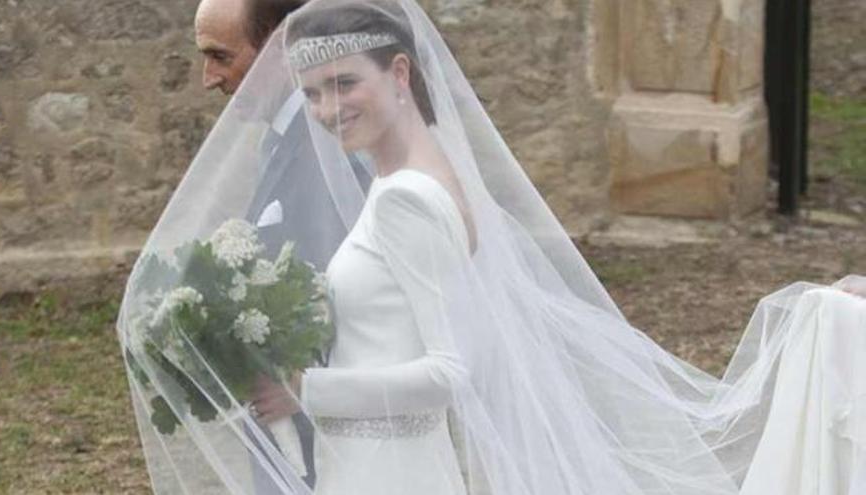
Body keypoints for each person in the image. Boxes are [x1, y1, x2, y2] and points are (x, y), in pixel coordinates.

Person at [120, 0, 866, 494]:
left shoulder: (408, 197)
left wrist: (306, 391)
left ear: (401, 74)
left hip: (388, 468)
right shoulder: (405, 179)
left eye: (345, 85)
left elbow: (451, 369)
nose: (325, 110)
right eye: (313, 92)